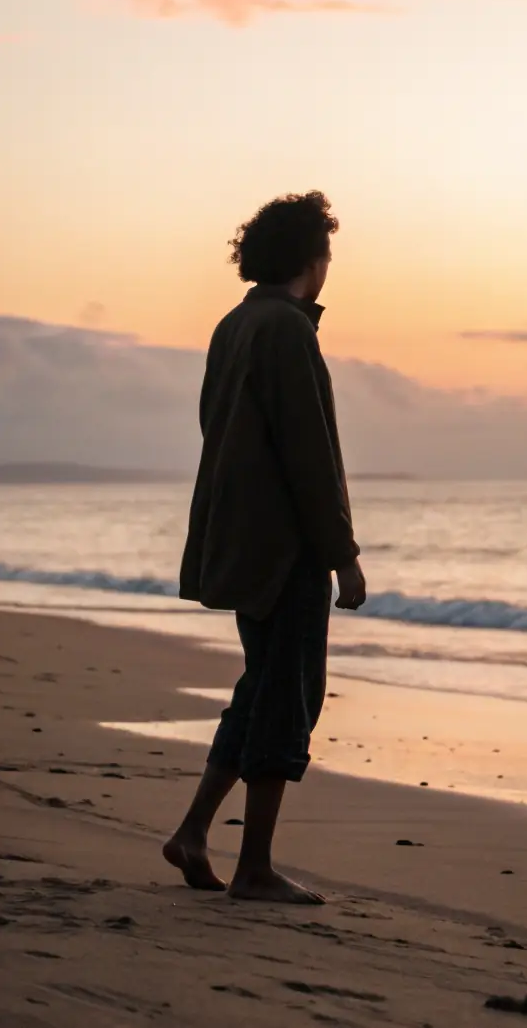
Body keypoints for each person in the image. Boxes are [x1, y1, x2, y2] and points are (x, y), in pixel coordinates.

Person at [164, 190, 366, 905]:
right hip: (284, 549)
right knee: (288, 696)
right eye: (328, 253)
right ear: (314, 259)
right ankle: (254, 866)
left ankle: (192, 831)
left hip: (241, 537)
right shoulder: (285, 330)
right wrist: (342, 552)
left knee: (260, 688)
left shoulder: (235, 324)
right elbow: (309, 454)